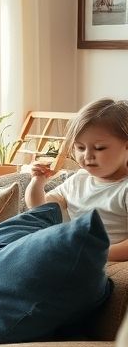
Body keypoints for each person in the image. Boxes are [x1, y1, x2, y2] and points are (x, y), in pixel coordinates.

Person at [25, 97, 128, 262]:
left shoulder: (124, 189)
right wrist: (37, 182)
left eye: (99, 148)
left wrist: (94, 254)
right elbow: (39, 208)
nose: (87, 156)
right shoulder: (78, 180)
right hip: (73, 256)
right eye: (80, 147)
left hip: (105, 262)